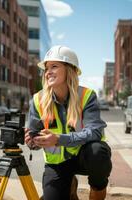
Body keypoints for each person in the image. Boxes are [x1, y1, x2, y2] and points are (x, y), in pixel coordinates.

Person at [25, 45, 112, 200]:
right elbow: (34, 141)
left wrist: (59, 139)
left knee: (98, 152)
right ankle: (69, 185)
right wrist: (33, 142)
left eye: (54, 66)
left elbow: (95, 132)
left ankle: (97, 189)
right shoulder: (38, 100)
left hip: (84, 158)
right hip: (58, 164)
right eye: (46, 68)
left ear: (69, 70)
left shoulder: (86, 96)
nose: (48, 72)